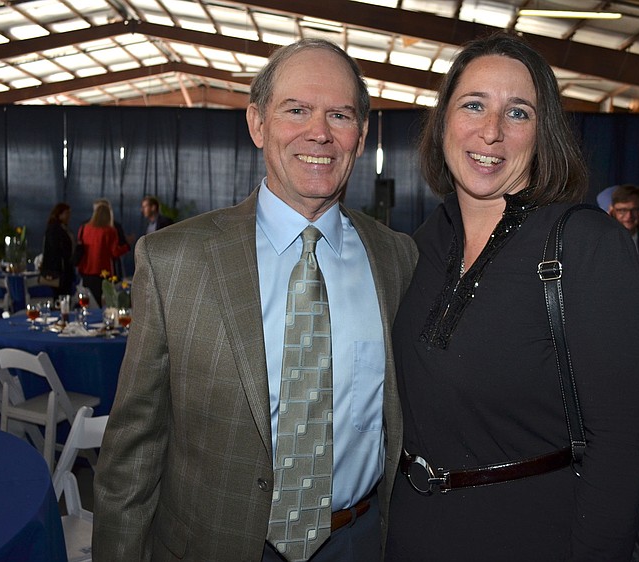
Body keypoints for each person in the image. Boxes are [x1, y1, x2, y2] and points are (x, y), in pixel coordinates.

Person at [93, 39, 418, 562]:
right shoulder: (175, 259)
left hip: (358, 542)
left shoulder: (399, 259)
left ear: (359, 138)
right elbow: (133, 451)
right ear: (257, 124)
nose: (320, 132)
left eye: (340, 114)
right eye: (297, 110)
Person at [385, 33, 639, 561]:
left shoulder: (587, 247)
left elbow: (621, 448)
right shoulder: (426, 239)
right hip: (409, 534)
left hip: (530, 536)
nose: (490, 132)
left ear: (543, 134)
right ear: (443, 121)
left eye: (517, 113)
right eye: (473, 105)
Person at [75, 203, 129, 307]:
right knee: (104, 301)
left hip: (86, 270)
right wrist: (126, 247)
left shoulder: (84, 228)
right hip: (103, 272)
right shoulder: (110, 231)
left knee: (89, 302)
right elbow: (115, 252)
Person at [39, 202, 74, 297]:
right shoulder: (55, 229)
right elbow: (57, 250)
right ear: (59, 214)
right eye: (67, 213)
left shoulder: (61, 228)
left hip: (62, 270)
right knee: (60, 295)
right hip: (59, 270)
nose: (69, 216)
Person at [93, 198, 130, 279]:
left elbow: (119, 247)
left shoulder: (115, 227)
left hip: (112, 266)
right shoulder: (87, 227)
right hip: (96, 268)